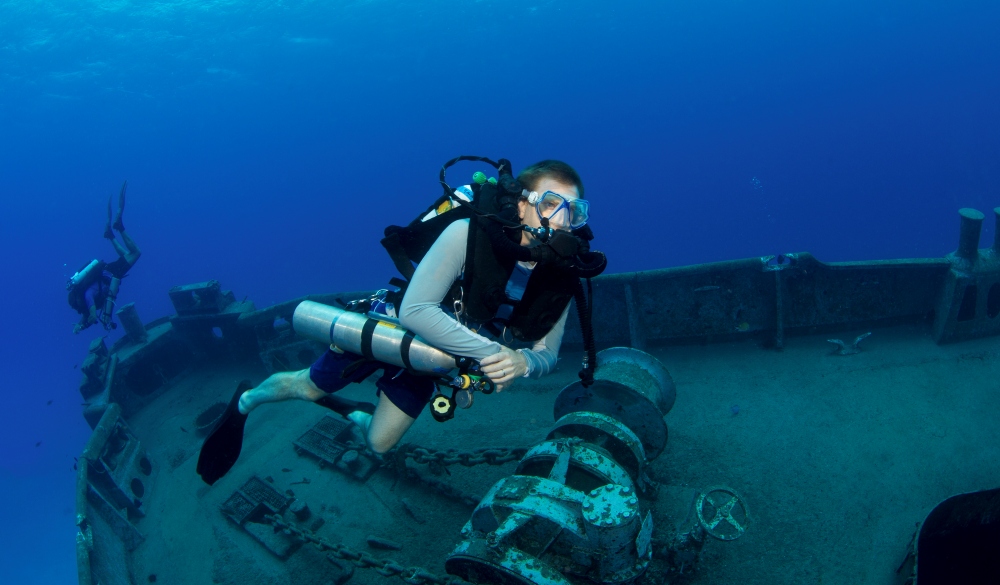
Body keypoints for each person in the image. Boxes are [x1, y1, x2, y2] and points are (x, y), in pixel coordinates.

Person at [197, 160, 602, 485]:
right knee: (305, 387)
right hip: (387, 329)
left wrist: (523, 364)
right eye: (551, 203)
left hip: (439, 361)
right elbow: (416, 310)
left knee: (379, 443)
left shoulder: (559, 276)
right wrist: (495, 354)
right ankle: (246, 401)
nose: (563, 219)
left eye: (574, 209)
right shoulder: (467, 232)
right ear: (520, 201)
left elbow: (547, 353)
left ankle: (349, 408)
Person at [68, 181, 142, 334]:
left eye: (76, 307)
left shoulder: (88, 296)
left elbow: (93, 314)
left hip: (112, 273)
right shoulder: (86, 298)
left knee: (135, 253)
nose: (79, 310)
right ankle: (110, 235)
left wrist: (92, 319)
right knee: (126, 255)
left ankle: (119, 227)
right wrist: (80, 326)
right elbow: (88, 316)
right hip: (109, 272)